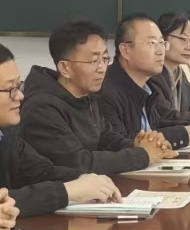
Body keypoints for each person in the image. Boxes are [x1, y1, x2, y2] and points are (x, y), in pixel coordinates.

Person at [19, 18, 176, 175]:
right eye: (94, 61)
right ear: (65, 68)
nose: (102, 68)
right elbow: (77, 163)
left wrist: (138, 144)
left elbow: (106, 139)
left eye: (105, 59)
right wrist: (143, 155)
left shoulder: (85, 96)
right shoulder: (42, 108)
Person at [0, 43, 121, 217]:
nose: (19, 96)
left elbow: (42, 171)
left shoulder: (6, 133)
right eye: (10, 89)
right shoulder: (42, 106)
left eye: (18, 86)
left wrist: (84, 178)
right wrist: (68, 191)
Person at [98, 14, 190, 149]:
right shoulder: (106, 91)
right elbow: (120, 144)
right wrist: (180, 134)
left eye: (162, 43)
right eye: (152, 43)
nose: (161, 51)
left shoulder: (149, 88)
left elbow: (159, 125)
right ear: (126, 50)